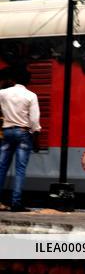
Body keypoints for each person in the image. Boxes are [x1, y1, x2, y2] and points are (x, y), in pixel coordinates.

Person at [0, 67, 41, 212]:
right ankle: (16, 203)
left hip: (7, 131)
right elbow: (34, 121)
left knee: (1, 167)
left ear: (14, 79)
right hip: (23, 133)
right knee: (20, 169)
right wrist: (36, 138)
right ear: (28, 81)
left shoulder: (3, 93)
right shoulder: (31, 96)